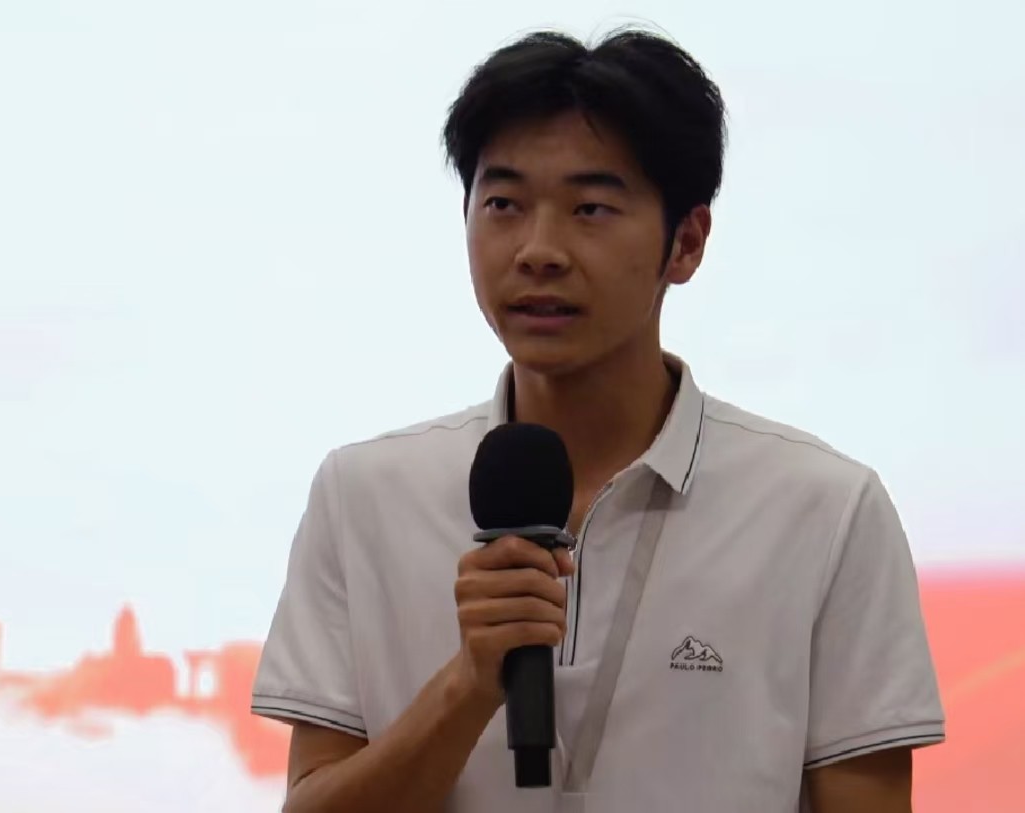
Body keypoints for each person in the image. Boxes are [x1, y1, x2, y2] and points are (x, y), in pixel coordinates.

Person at [252, 27, 944, 813]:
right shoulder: (363, 496)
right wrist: (469, 683)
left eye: (590, 208)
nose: (538, 250)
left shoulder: (823, 510)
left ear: (686, 242)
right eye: (504, 204)